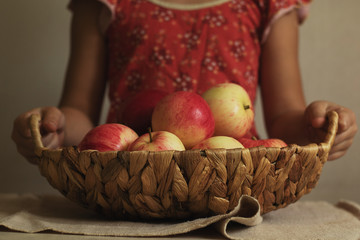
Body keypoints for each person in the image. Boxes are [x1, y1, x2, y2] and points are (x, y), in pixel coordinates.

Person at [12, 0, 357, 165]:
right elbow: (80, 114)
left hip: (233, 178)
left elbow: (285, 117)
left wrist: (314, 127)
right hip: (128, 176)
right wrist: (55, 129)